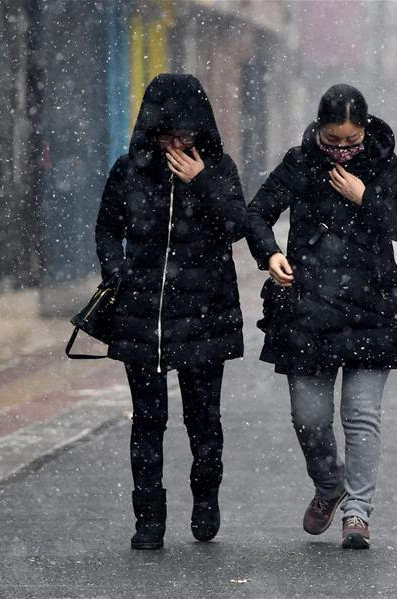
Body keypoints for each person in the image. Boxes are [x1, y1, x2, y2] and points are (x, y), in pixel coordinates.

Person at [246, 84, 397, 549]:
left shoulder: (381, 162)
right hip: (308, 310)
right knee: (309, 417)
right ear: (319, 131)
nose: (343, 150)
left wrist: (367, 196)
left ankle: (357, 513)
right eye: (333, 140)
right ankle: (329, 483)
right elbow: (257, 213)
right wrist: (270, 256)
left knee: (361, 415)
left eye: (351, 141)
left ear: (365, 130)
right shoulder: (301, 162)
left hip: (373, 307)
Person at [95, 73, 247, 550]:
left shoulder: (219, 170)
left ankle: (205, 498)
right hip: (143, 314)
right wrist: (116, 270)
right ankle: (148, 518)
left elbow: (235, 226)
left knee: (203, 419)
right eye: (168, 134)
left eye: (187, 134)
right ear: (151, 129)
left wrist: (201, 182)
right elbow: (106, 228)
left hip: (205, 314)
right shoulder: (129, 170)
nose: (178, 143)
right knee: (147, 420)